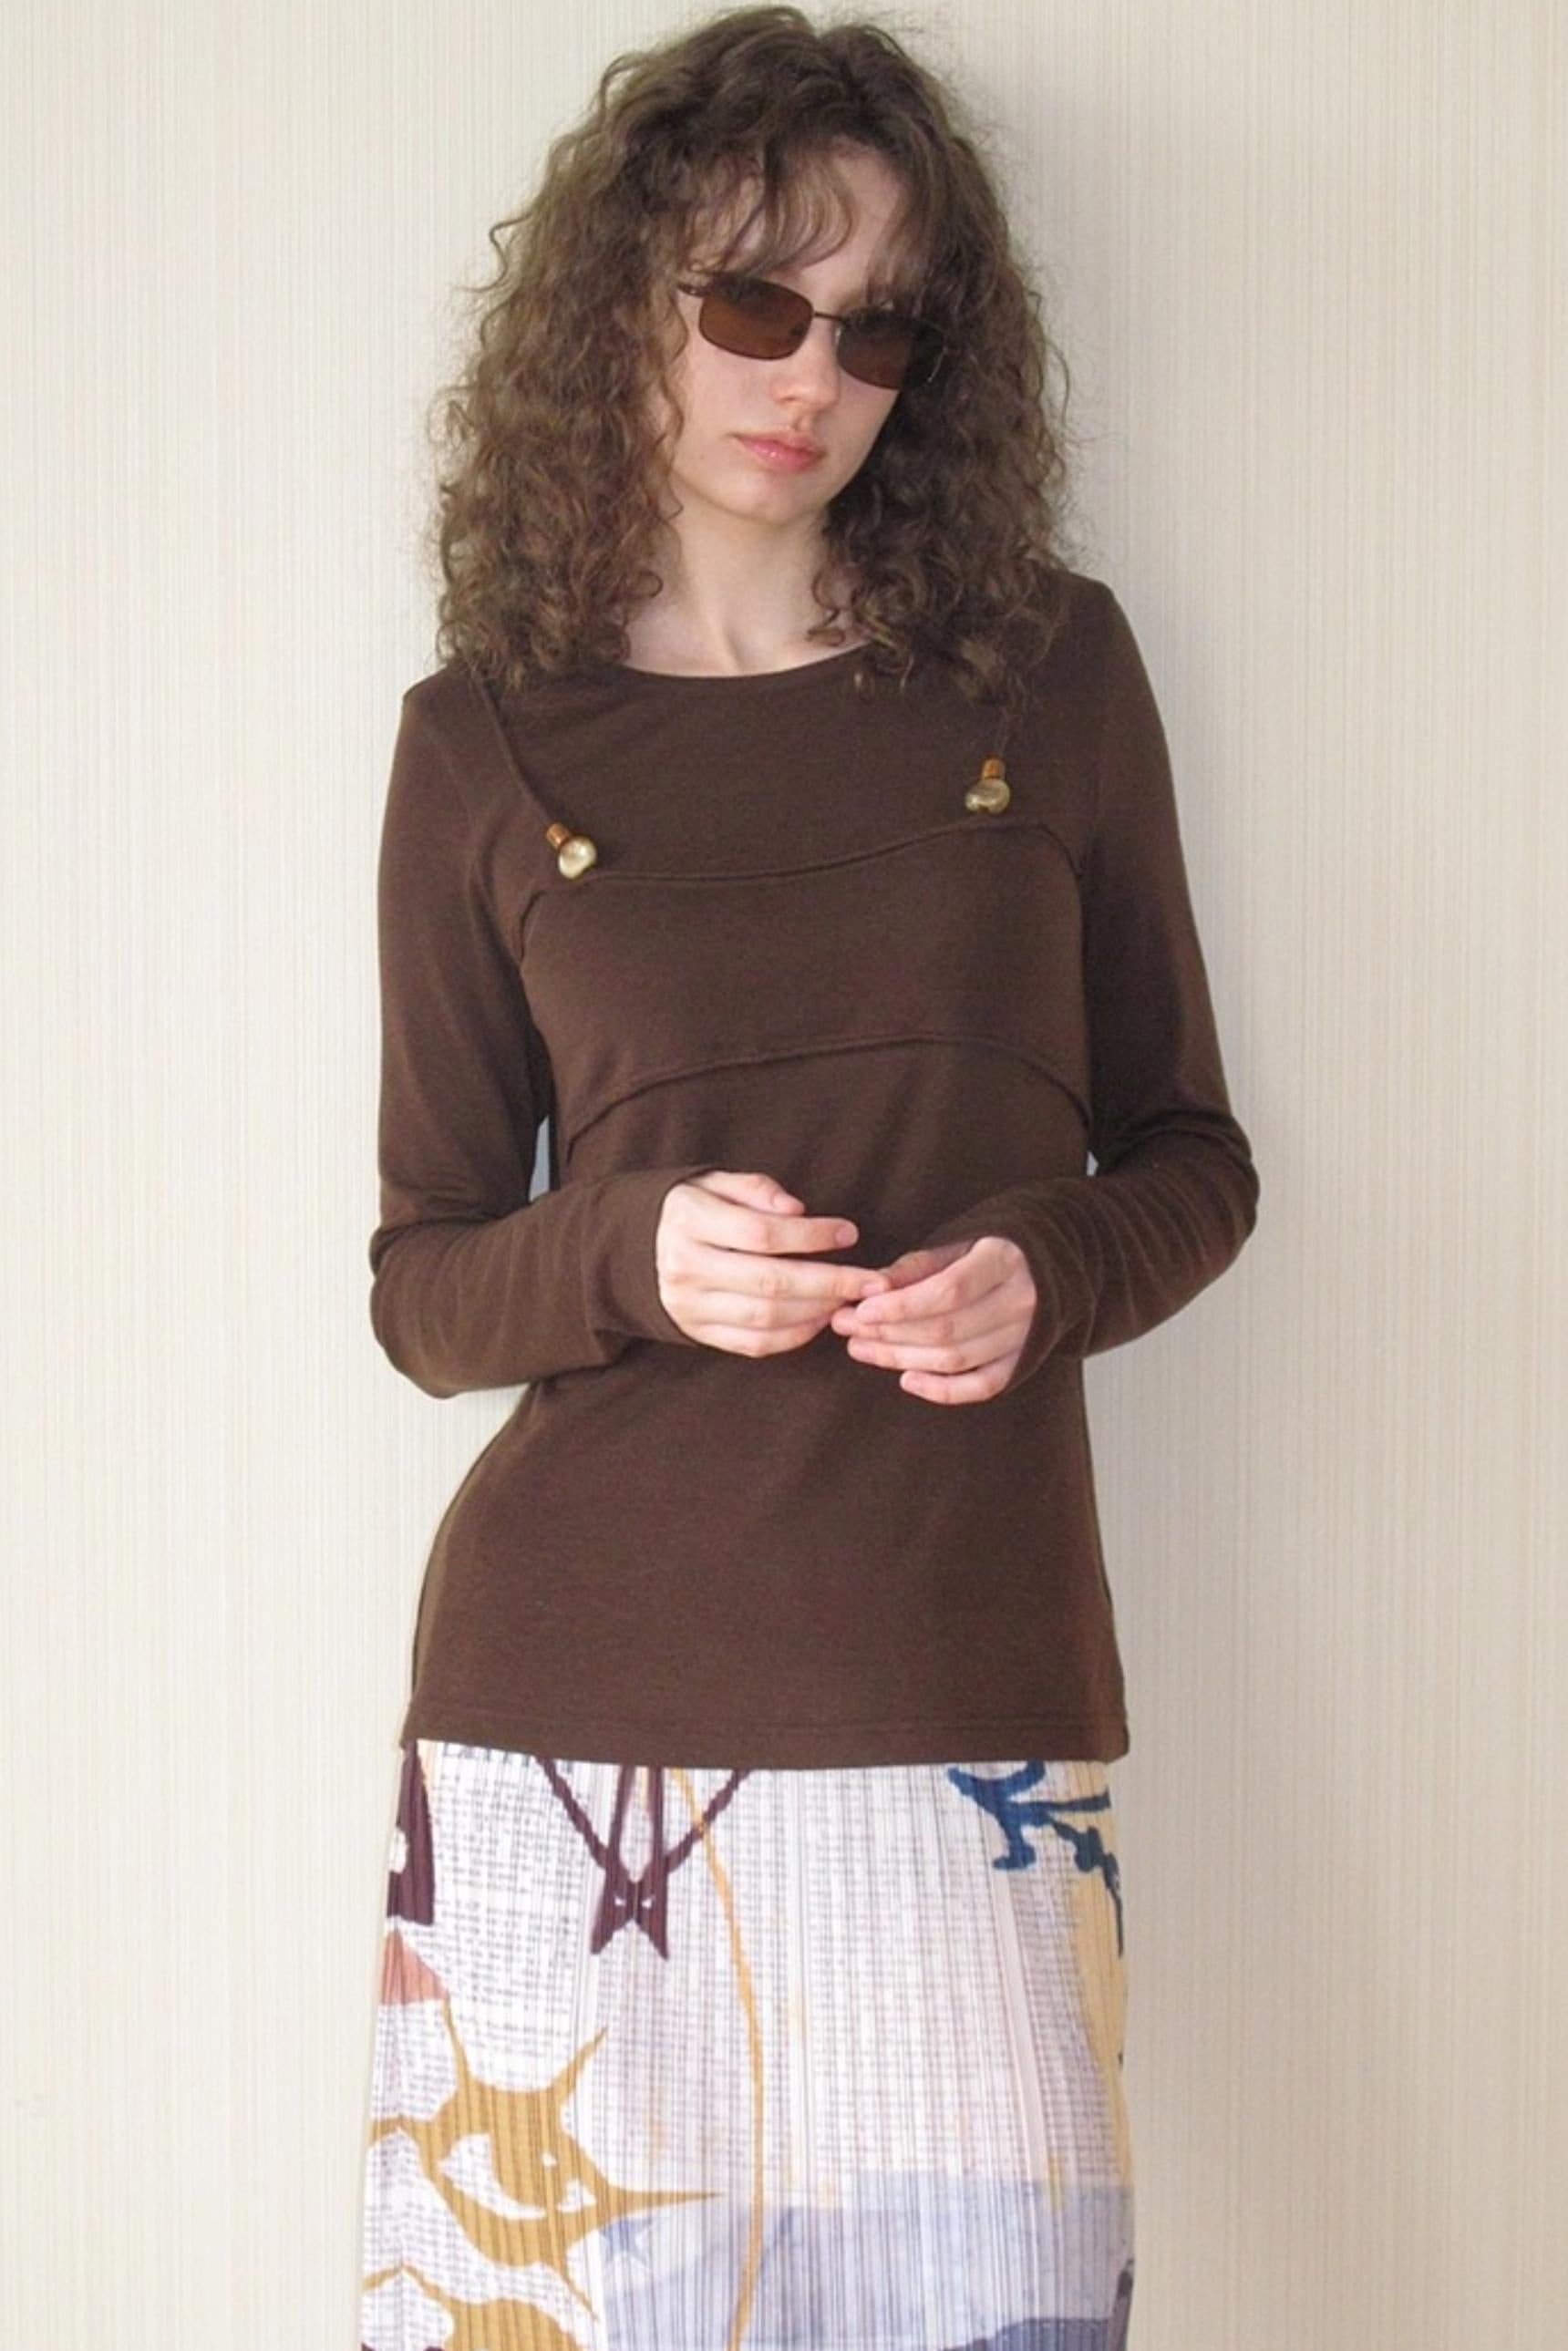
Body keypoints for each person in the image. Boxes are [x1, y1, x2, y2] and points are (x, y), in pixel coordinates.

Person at [356, 9, 1259, 2346]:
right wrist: (627, 1253)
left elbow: (1189, 1156)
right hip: (569, 1711)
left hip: (957, 1688)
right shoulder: (483, 743)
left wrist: (1046, 1267)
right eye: (754, 300)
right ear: (619, 303)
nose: (812, 378)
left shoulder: (1045, 676)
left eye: (877, 329)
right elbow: (423, 1281)